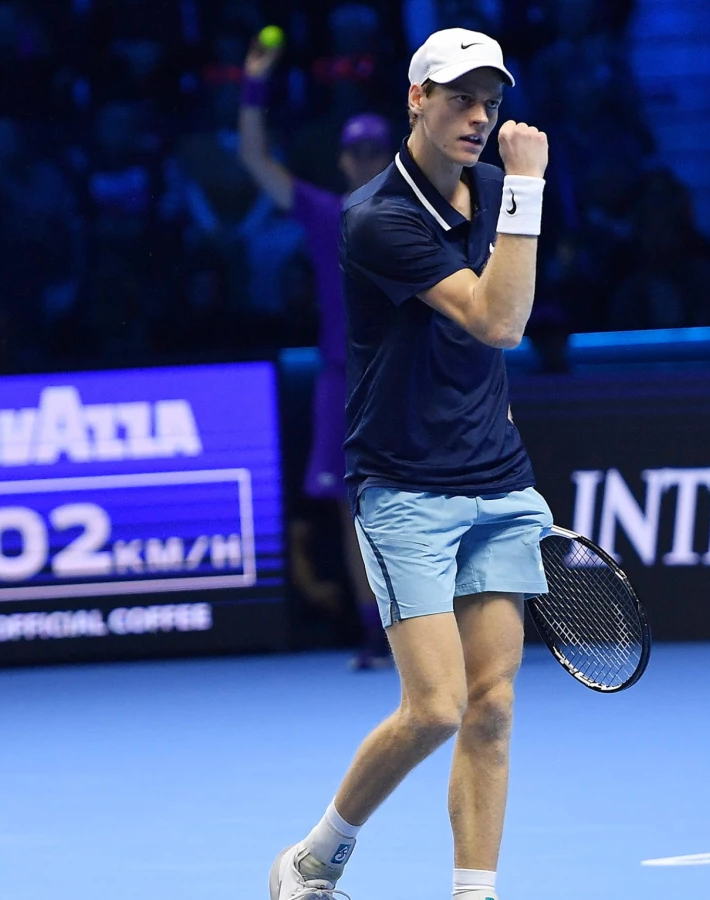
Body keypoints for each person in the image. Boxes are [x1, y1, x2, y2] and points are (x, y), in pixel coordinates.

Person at [268, 28, 552, 900]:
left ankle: (476, 894)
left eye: (490, 101)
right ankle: (313, 859)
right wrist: (532, 192)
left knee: (494, 706)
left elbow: (496, 343)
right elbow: (499, 322)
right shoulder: (377, 217)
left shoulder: (498, 190)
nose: (478, 116)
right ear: (416, 100)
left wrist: (517, 194)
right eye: (459, 97)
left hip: (498, 483)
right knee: (436, 707)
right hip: (406, 492)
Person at [237, 35, 395, 669]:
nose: (365, 161)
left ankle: (442, 631)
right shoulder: (323, 211)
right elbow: (254, 159)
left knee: (422, 504)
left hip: (406, 378)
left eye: (376, 152)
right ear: (342, 161)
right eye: (355, 153)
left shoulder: (426, 211)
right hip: (341, 379)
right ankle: (371, 632)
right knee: (352, 511)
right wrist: (254, 86)